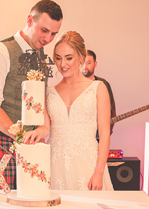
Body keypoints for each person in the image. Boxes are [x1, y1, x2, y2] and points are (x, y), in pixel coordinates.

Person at [0, 0, 63, 189]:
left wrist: (44, 129)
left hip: (30, 149)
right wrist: (20, 136)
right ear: (30, 20)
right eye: (44, 31)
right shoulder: (0, 52)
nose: (48, 39)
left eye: (54, 34)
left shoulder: (41, 57)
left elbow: (42, 102)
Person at [24, 31, 113, 191]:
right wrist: (36, 132)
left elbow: (105, 134)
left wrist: (99, 172)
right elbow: (46, 128)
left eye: (68, 58)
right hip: (55, 163)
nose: (62, 64)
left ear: (81, 56)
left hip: (88, 164)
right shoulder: (49, 91)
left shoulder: (98, 88)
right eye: (58, 58)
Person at [82, 49, 116, 135]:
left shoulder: (103, 84)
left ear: (95, 64)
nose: (85, 66)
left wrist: (106, 133)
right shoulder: (73, 84)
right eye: (82, 63)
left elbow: (112, 111)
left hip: (99, 135)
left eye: (88, 63)